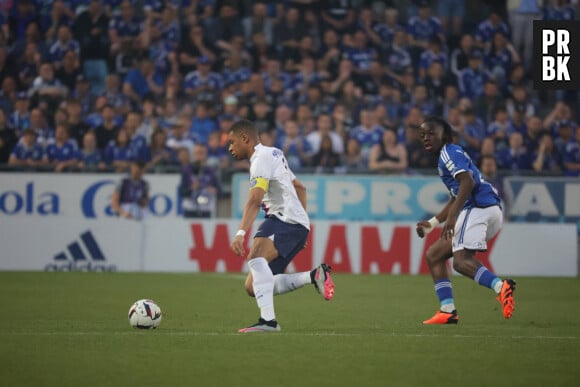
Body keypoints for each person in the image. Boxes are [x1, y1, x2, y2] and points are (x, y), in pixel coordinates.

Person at [228, 119, 335, 333]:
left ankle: (268, 322)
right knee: (252, 287)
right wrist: (303, 227)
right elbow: (300, 187)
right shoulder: (274, 153)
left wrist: (240, 233)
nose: (230, 148)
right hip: (292, 222)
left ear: (245, 139)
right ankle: (313, 276)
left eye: (232, 142)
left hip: (284, 219)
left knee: (255, 255)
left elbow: (254, 200)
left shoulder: (260, 159)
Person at [415, 116, 516, 324]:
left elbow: (467, 183)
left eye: (431, 133)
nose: (426, 138)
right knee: (434, 255)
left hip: (479, 208)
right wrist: (433, 223)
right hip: (486, 209)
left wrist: (452, 217)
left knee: (461, 263)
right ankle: (447, 310)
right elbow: (456, 194)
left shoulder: (448, 152)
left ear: (446, 136)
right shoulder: (449, 155)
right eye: (423, 134)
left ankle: (501, 287)